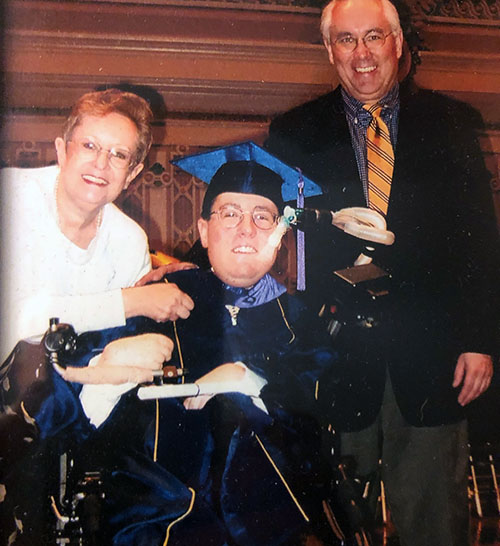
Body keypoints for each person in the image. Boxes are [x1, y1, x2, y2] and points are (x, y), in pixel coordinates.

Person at [265, 1, 499, 545]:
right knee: (331, 522)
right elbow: (263, 226)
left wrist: (480, 340)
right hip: (332, 353)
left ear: (398, 43)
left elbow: (480, 243)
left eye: (374, 37)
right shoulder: (295, 131)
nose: (362, 54)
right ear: (329, 50)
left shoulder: (452, 123)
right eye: (346, 40)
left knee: (433, 522)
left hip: (433, 354)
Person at [15, 153, 339, 545]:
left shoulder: (304, 323)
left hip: (273, 518)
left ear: (280, 234)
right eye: (230, 214)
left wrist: (246, 377)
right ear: (203, 231)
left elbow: (317, 430)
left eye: (263, 217)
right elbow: (60, 413)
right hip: (159, 516)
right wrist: (106, 370)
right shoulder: (158, 302)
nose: (246, 230)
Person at [0, 88, 194, 363]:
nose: (101, 164)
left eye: (119, 155)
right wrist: (131, 302)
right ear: (62, 151)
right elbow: (17, 318)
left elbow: (115, 345)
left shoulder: (130, 241)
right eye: (89, 146)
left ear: (132, 173)